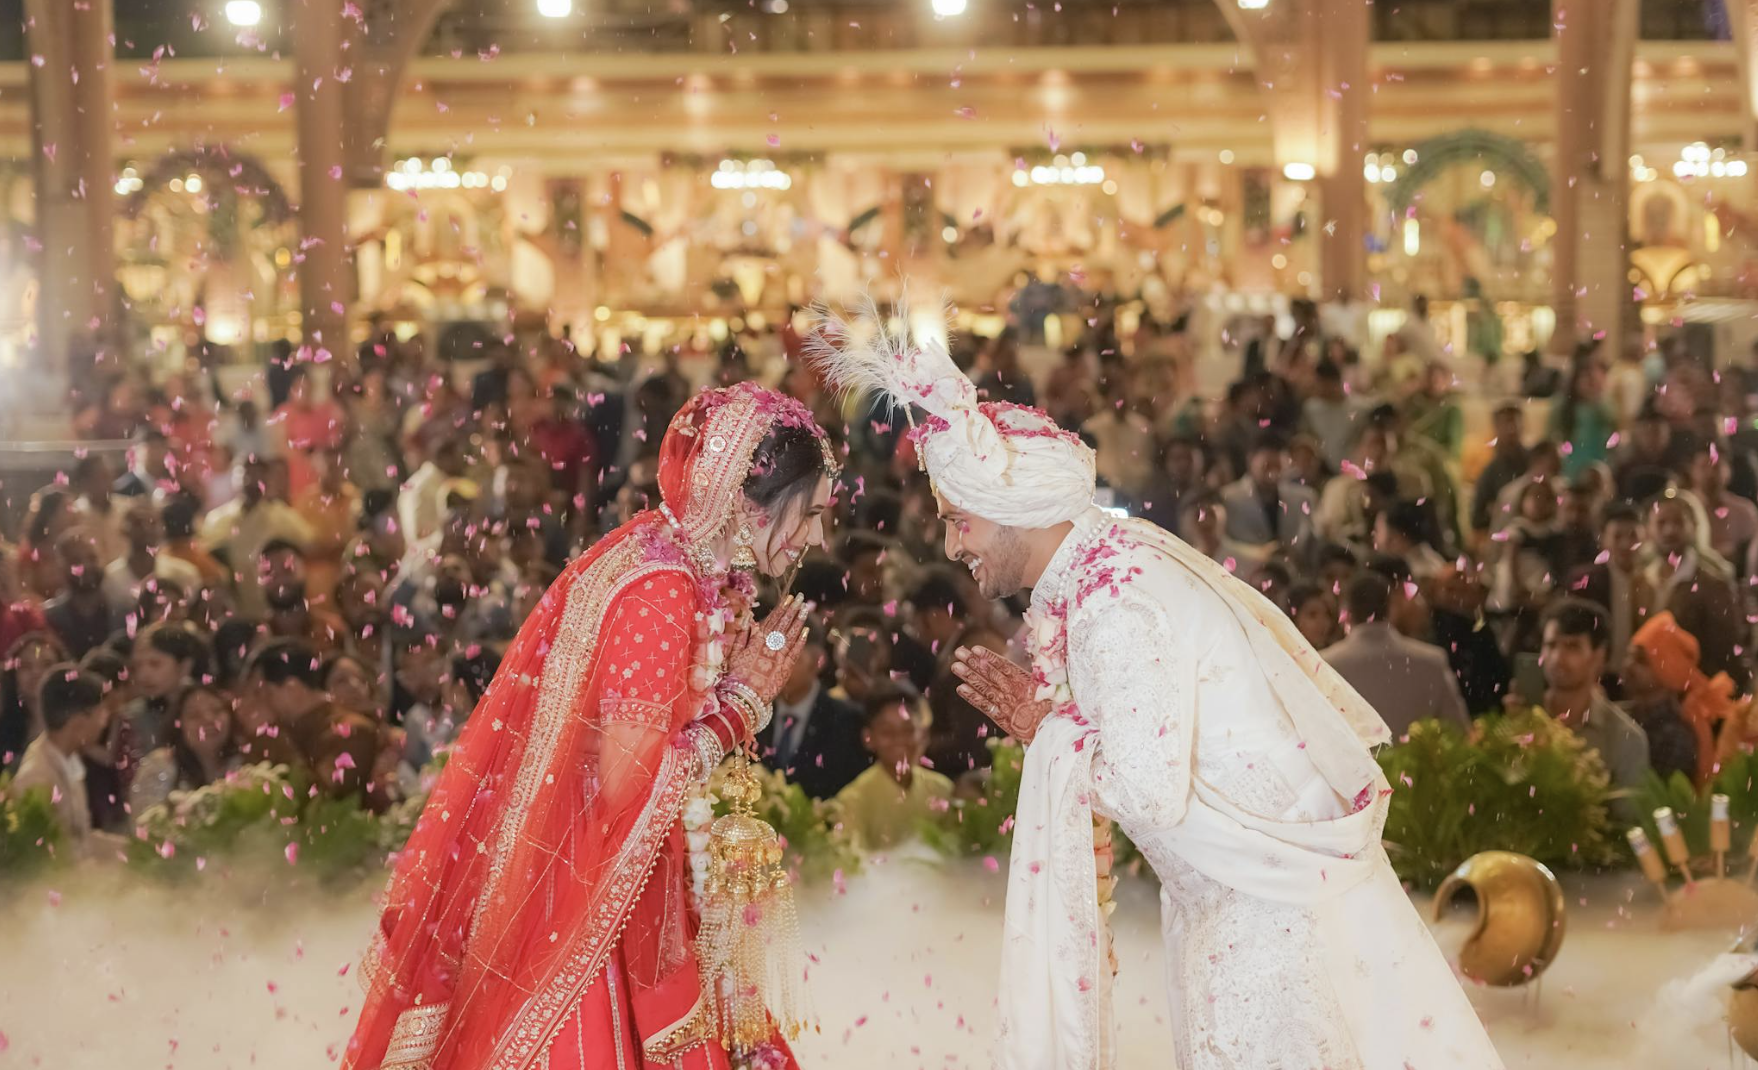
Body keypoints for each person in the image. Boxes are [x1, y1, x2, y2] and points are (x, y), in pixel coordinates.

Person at [810, 298, 1501, 1070]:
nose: (949, 544)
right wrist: (1059, 721)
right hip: (1254, 894)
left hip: (1265, 921)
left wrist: (1049, 730)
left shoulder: (1115, 605)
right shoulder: (1112, 561)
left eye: (957, 520)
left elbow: (1146, 794)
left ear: (1012, 507)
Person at [346, 382, 834, 1070]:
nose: (818, 535)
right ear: (746, 499)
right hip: (587, 912)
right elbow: (621, 792)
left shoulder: (662, 554)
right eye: (809, 513)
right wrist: (737, 712)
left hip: (601, 884)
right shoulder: (660, 593)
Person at [1520, 599, 1650, 822]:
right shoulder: (1522, 718)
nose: (1557, 659)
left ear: (1599, 656)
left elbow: (1628, 828)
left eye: (1572, 647)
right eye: (1551, 645)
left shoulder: (1625, 737)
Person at [1323, 571, 1471, 738]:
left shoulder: (1326, 664)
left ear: (1346, 612)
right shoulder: (1431, 660)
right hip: (1416, 762)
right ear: (1392, 608)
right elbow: (1458, 731)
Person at [830, 685, 953, 852]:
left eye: (908, 730)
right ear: (868, 738)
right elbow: (854, 867)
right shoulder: (852, 801)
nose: (899, 739)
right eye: (887, 732)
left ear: (924, 735)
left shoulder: (942, 789)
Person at [6, 664, 113, 856]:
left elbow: (82, 838)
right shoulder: (37, 778)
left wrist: (138, 847)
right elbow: (44, 860)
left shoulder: (66, 761)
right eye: (101, 714)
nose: (104, 723)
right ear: (79, 723)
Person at [757, 625, 868, 800]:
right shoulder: (753, 714)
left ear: (818, 662)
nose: (778, 669)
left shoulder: (846, 720)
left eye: (791, 660)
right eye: (771, 659)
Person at [200, 455, 314, 617]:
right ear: (233, 477)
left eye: (258, 474)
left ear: (268, 479)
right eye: (245, 474)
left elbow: (309, 547)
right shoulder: (217, 520)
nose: (251, 480)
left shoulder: (282, 516)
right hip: (235, 608)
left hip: (278, 609)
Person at [127, 684, 238, 814]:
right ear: (179, 726)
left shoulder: (242, 764)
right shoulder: (161, 765)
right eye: (195, 715)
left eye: (216, 710)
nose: (209, 719)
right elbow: (144, 824)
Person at [101, 496, 203, 618]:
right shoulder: (110, 578)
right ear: (124, 529)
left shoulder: (184, 574)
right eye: (138, 523)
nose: (146, 529)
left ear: (163, 529)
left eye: (152, 523)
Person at [44, 529, 122, 659]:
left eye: (92, 558)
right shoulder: (50, 618)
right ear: (60, 566)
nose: (86, 566)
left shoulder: (125, 610)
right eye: (76, 561)